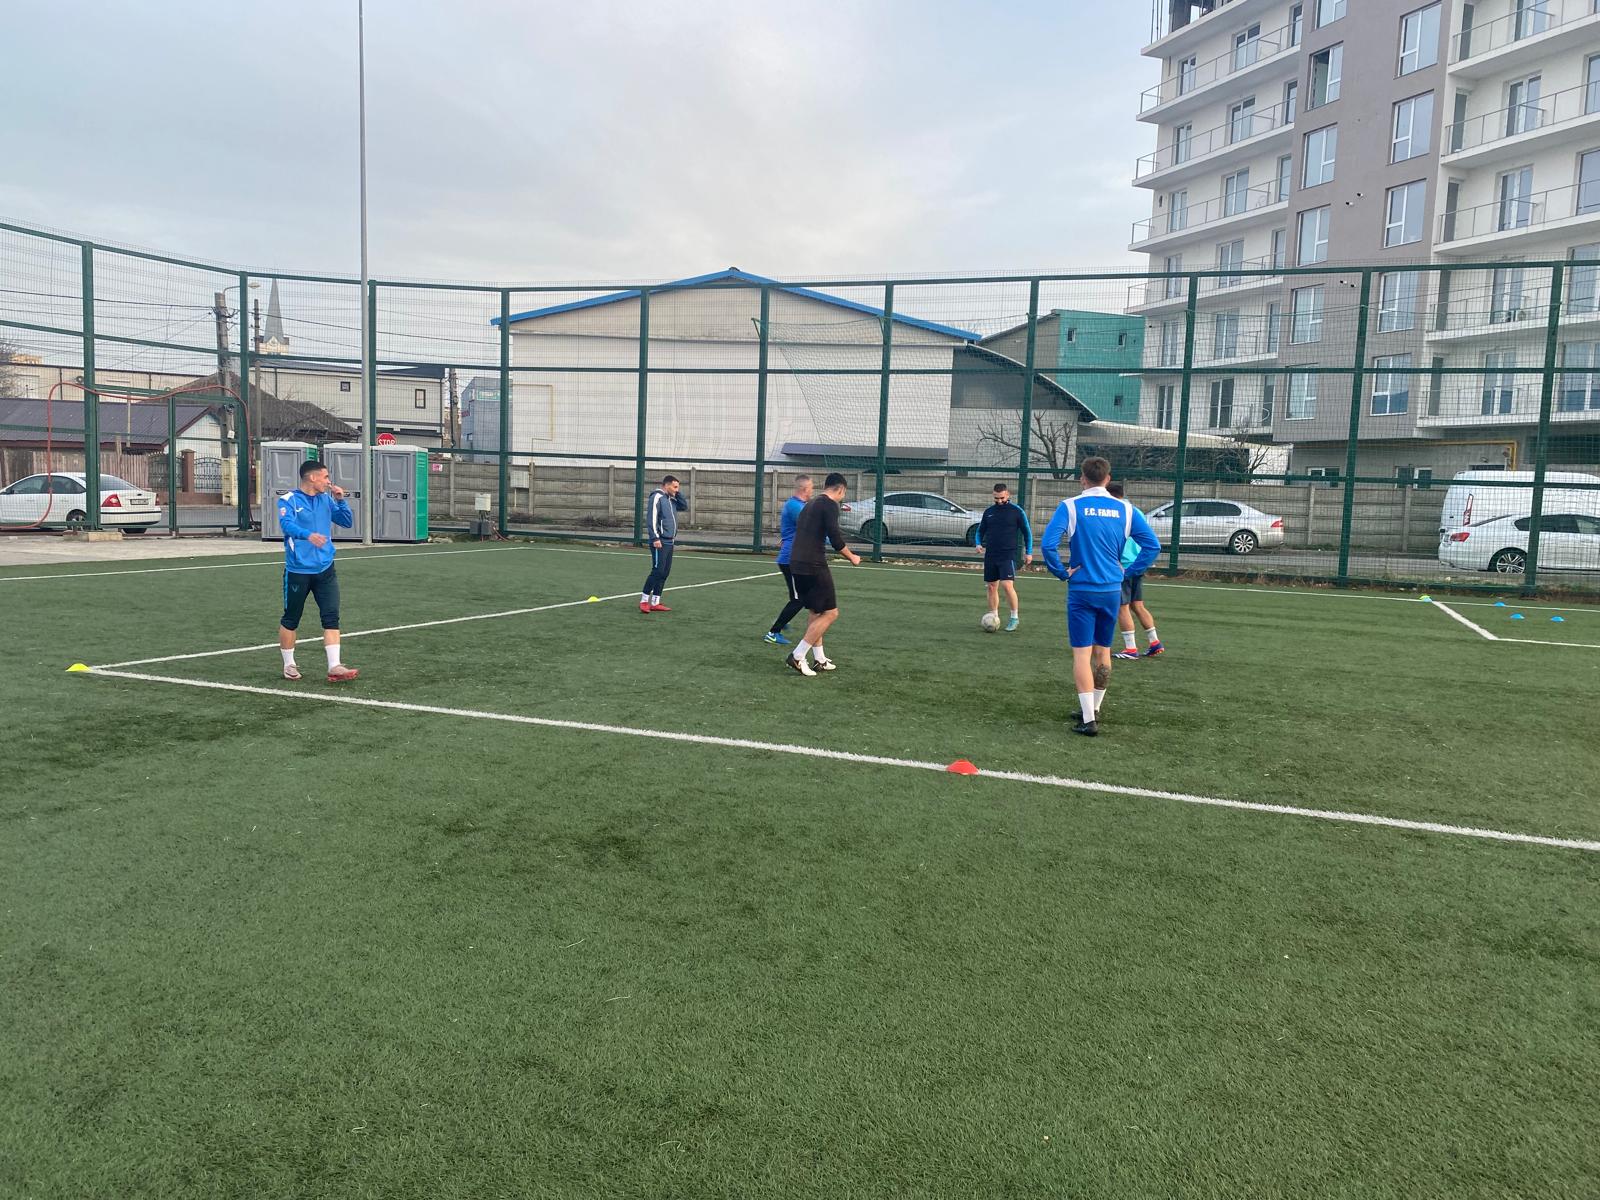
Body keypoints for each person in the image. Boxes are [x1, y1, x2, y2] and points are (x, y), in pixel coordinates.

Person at [1040, 457, 1159, 736]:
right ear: (1108, 478)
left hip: (1082, 589)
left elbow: (1047, 545)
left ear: (1082, 478)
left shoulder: (1070, 506)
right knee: (1103, 650)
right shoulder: (1126, 509)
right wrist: (1128, 572)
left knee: (1082, 654)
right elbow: (1152, 546)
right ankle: (1093, 708)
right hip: (1111, 590)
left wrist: (1062, 572)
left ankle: (1088, 719)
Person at [277, 459, 359, 683]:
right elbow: (286, 525)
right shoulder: (289, 500)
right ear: (312, 478)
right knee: (291, 618)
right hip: (298, 571)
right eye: (325, 477)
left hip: (326, 569)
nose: (329, 482)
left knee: (331, 616)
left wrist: (340, 500)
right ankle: (289, 664)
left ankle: (335, 666)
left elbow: (346, 522)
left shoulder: (326, 499)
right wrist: (308, 535)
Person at [785, 472, 862, 678]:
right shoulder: (829, 505)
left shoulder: (810, 504)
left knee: (816, 611)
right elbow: (835, 539)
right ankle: (798, 655)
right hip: (814, 565)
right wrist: (852, 557)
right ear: (841, 489)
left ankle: (819, 659)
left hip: (797, 563)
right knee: (831, 613)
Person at [1107, 483, 1164, 660]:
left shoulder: (1115, 512)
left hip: (1123, 566)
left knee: (1122, 607)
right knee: (1137, 605)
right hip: (1137, 563)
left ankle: (1130, 648)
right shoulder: (1135, 511)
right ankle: (1154, 642)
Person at [975, 482, 1033, 631]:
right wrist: (978, 543)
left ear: (1008, 495)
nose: (999, 501)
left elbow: (1027, 532)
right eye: (996, 498)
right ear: (993, 496)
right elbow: (980, 531)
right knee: (991, 587)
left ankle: (1014, 617)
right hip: (991, 555)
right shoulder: (989, 512)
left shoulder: (1017, 511)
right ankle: (994, 616)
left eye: (1002, 498)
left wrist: (1029, 551)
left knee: (1007, 585)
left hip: (1007, 554)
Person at [765, 474, 814, 645]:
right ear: (805, 489)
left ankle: (782, 620)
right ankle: (773, 633)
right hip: (791, 560)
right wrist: (835, 542)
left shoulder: (799, 505)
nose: (812, 490)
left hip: (795, 558)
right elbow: (810, 528)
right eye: (811, 487)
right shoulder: (794, 506)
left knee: (803, 596)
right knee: (799, 599)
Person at [640, 474, 689, 613]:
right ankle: (644, 600)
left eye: (678, 487)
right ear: (666, 485)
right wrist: (655, 538)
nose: (677, 490)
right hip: (659, 541)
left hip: (670, 542)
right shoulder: (656, 497)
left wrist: (677, 493)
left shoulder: (671, 499)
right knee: (658, 570)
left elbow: (684, 506)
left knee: (665, 572)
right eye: (675, 487)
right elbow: (652, 518)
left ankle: (655, 602)